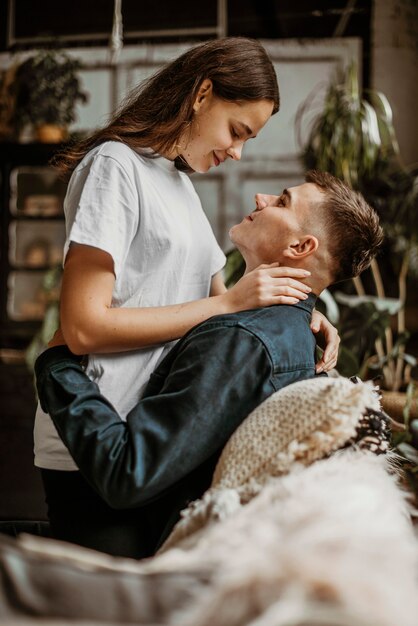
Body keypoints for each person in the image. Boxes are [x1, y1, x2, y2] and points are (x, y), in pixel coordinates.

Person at [33, 37, 339, 556]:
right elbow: (84, 327)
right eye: (237, 131)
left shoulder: (180, 186)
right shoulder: (116, 167)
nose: (238, 152)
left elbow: (217, 313)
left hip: (157, 444)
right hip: (97, 445)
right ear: (201, 95)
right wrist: (229, 303)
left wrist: (305, 309)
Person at [35, 170, 384, 559]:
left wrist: (57, 366)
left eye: (283, 201)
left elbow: (128, 474)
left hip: (140, 558)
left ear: (301, 245)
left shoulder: (242, 341)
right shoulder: (290, 331)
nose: (261, 198)